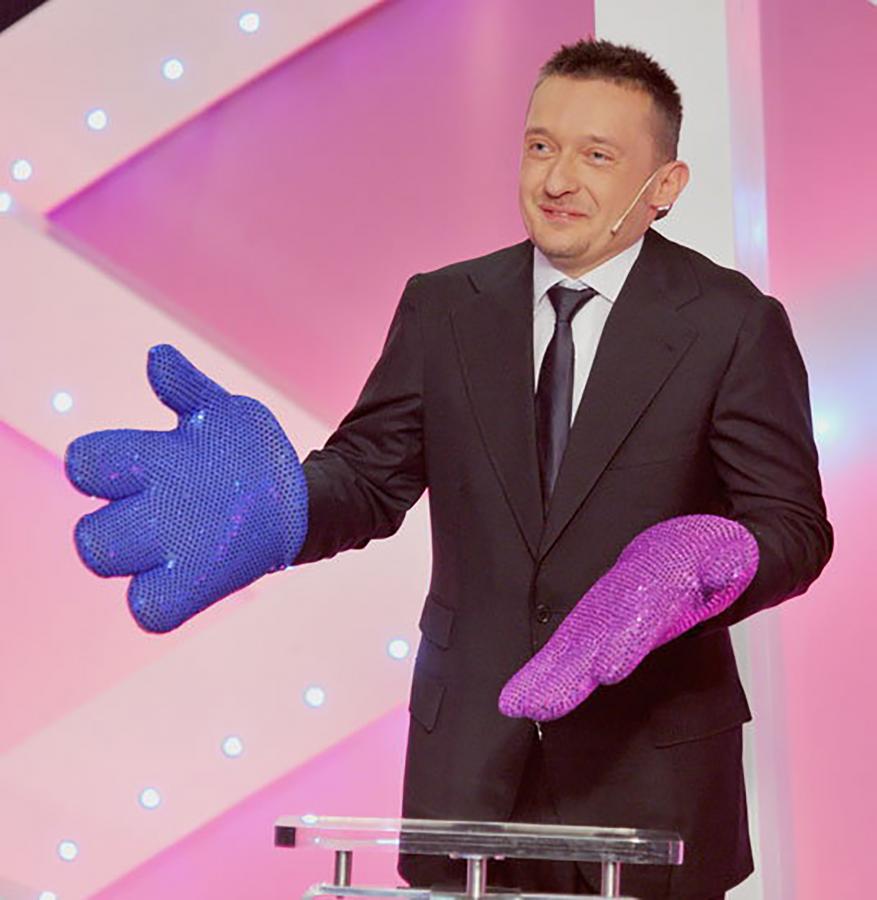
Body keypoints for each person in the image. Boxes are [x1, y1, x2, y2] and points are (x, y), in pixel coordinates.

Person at [66, 39, 833, 900]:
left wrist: (714, 559)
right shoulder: (443, 305)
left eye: (596, 155)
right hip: (467, 765)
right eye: (540, 145)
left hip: (650, 771)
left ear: (664, 186)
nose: (556, 180)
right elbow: (368, 476)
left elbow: (793, 525)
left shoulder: (732, 322)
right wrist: (282, 506)